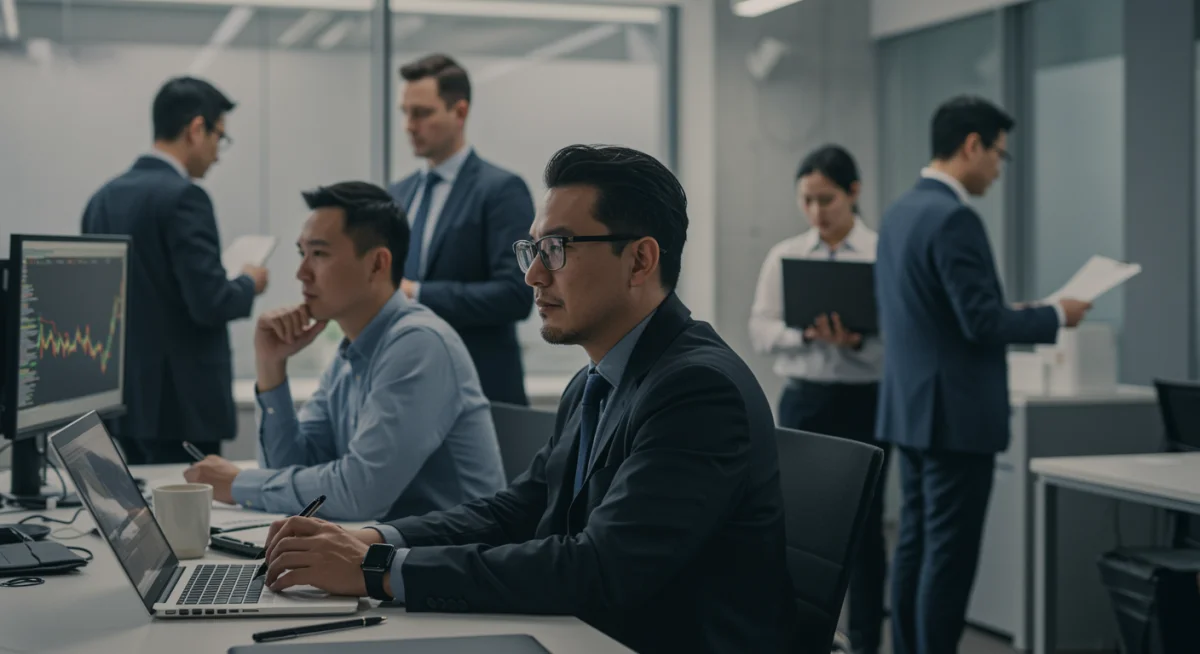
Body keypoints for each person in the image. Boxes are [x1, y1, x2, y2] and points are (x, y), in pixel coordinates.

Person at [258, 145, 799, 654]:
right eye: (532, 249)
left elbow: (599, 568)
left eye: (557, 249)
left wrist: (379, 568)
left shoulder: (697, 390)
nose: (534, 275)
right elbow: (519, 510)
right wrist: (372, 538)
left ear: (639, 261)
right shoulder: (596, 379)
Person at [874, 96, 1092, 654]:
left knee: (915, 550)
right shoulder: (954, 218)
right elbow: (980, 322)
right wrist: (1055, 315)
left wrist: (1011, 314)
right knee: (947, 559)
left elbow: (940, 315)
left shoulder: (899, 213)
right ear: (972, 146)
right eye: (998, 153)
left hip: (911, 411)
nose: (998, 167)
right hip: (956, 419)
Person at [183, 182, 506, 522]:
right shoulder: (350, 351)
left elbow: (359, 493)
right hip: (386, 552)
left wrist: (238, 484)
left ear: (377, 265)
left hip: (449, 562)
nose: (301, 273)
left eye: (319, 254)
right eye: (301, 253)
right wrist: (271, 365)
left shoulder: (418, 345)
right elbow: (289, 470)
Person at [81, 76, 268, 465]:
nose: (218, 154)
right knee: (186, 522)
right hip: (183, 408)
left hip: (122, 402)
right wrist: (249, 282)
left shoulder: (102, 199)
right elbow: (210, 303)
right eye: (220, 138)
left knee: (141, 518)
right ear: (197, 129)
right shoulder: (186, 197)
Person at [749, 144, 888, 654]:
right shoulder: (785, 255)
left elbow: (897, 343)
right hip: (803, 403)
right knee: (794, 527)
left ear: (853, 192)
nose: (815, 212)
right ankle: (796, 642)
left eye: (826, 199)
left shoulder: (882, 254)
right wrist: (806, 335)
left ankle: (869, 644)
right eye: (806, 200)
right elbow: (761, 331)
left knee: (867, 534)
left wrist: (855, 342)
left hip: (865, 403)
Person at [388, 53, 535, 406]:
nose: (409, 125)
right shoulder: (397, 194)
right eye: (405, 113)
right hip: (409, 390)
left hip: (481, 393)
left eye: (422, 113)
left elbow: (516, 294)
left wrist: (418, 293)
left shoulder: (501, 190)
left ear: (460, 112)